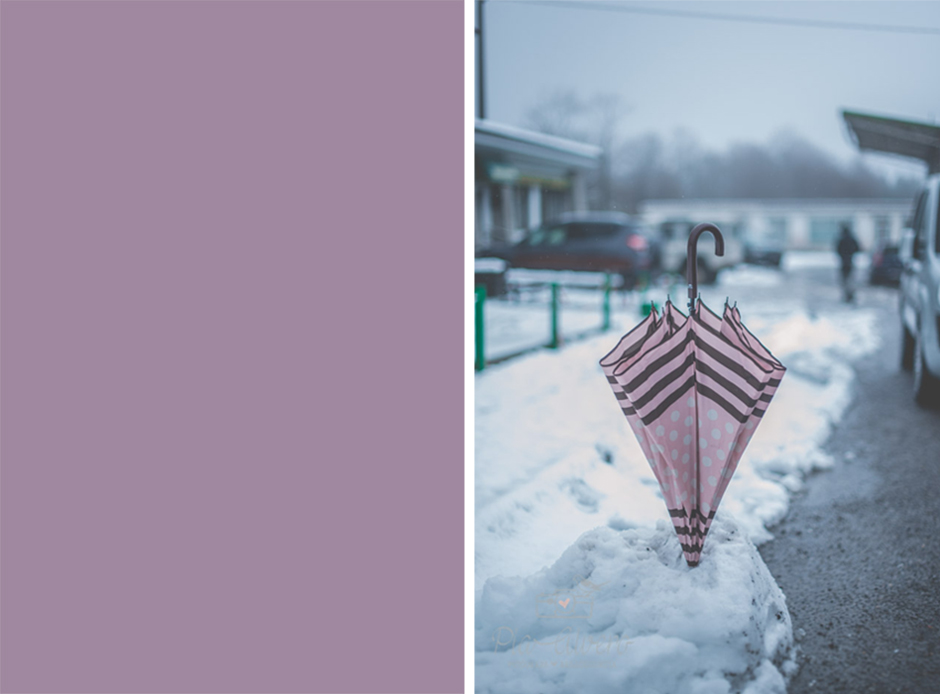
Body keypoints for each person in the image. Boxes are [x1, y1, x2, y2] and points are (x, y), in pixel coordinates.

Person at [835, 223, 860, 303]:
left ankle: (846, 295)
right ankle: (850, 294)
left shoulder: (841, 239)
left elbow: (837, 249)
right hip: (850, 261)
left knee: (844, 280)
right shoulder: (852, 238)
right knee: (850, 279)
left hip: (843, 262)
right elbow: (857, 248)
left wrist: (843, 255)